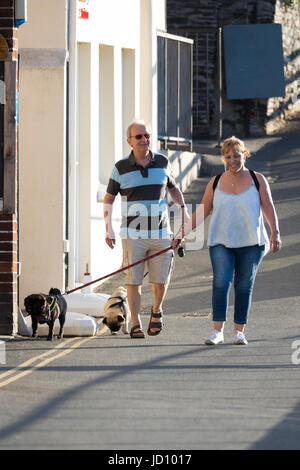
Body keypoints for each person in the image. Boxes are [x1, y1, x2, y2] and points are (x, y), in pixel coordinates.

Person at [171, 136, 282, 345]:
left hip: (252, 242)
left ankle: (239, 331)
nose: (233, 160)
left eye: (237, 155)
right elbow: (201, 211)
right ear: (224, 158)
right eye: (228, 156)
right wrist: (180, 234)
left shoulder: (257, 179)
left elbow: (268, 207)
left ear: (245, 155)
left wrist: (275, 232)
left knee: (243, 285)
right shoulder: (215, 182)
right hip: (221, 241)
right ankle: (217, 331)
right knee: (221, 283)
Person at [103, 120, 188, 338]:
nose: (144, 140)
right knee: (134, 280)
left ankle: (156, 310)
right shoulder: (120, 168)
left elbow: (174, 189)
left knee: (162, 279)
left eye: (147, 135)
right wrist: (108, 229)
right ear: (129, 141)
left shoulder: (163, 162)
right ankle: (136, 322)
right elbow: (109, 200)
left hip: (161, 233)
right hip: (133, 234)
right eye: (138, 136)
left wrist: (183, 209)